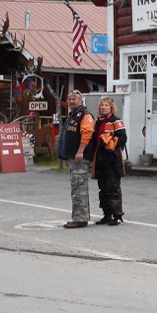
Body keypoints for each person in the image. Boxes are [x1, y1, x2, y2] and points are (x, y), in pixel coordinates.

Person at [87, 97, 127, 225]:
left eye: (106, 105)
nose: (103, 107)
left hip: (112, 158)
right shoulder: (97, 122)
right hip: (100, 158)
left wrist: (110, 141)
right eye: (102, 105)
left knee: (113, 187)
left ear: (111, 108)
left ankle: (117, 216)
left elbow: (122, 138)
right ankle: (107, 214)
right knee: (102, 188)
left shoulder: (116, 121)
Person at [58, 91, 95, 228]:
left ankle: (80, 219)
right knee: (76, 188)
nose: (71, 101)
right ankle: (79, 217)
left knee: (79, 189)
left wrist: (80, 151)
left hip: (80, 157)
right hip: (73, 158)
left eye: (74, 99)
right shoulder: (72, 115)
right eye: (69, 99)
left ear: (80, 100)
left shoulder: (84, 115)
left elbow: (87, 134)